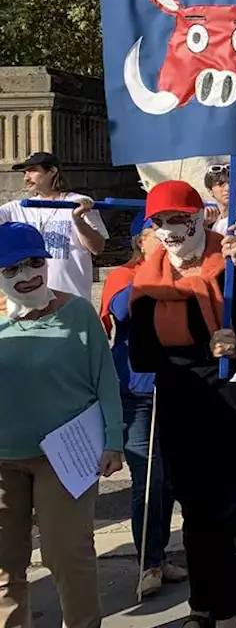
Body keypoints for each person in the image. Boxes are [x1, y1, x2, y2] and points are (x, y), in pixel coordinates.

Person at [128, 180, 236, 628]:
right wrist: (197, 350)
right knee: (195, 508)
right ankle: (202, 606)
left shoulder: (231, 258)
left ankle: (229, 606)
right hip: (182, 400)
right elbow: (142, 357)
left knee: (232, 505)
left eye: (179, 218)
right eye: (160, 222)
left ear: (198, 217)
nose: (171, 230)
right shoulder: (148, 278)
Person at [0, 221, 124, 628]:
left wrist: (113, 441)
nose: (25, 275)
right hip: (3, 460)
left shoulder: (78, 312)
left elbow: (105, 380)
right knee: (3, 564)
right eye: (10, 269)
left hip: (64, 457)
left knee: (67, 553)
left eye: (34, 262)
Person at [101, 213, 186, 598]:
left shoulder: (180, 270)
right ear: (140, 241)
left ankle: (159, 553)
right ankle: (147, 561)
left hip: (174, 387)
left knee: (168, 478)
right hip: (137, 392)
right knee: (147, 478)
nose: (163, 240)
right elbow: (120, 311)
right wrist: (152, 271)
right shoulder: (124, 274)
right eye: (154, 235)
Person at [0, 151, 107, 299]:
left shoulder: (79, 202)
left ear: (52, 171)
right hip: (31, 303)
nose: (26, 177)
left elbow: (97, 248)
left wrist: (78, 220)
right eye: (25, 172)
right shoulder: (16, 208)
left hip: (71, 300)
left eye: (32, 171)